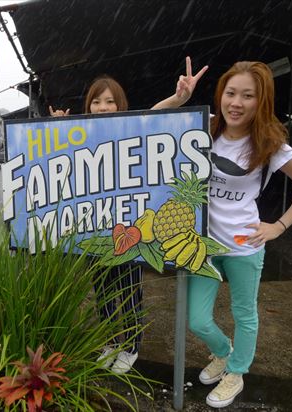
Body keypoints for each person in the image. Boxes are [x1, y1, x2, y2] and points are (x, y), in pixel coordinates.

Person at [50, 57, 208, 374]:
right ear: (89, 106)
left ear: (120, 104)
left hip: (131, 229)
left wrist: (180, 98)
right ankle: (110, 341)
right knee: (104, 292)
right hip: (96, 230)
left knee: (129, 290)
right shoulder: (81, 133)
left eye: (109, 101)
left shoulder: (133, 128)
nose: (103, 107)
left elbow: (155, 114)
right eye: (96, 101)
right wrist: (56, 126)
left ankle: (131, 346)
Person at [187, 61, 292, 408]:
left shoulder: (270, 144)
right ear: (221, 96)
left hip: (244, 244)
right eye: (231, 93)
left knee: (244, 313)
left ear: (260, 101)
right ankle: (223, 352)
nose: (236, 102)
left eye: (247, 96)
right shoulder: (204, 128)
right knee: (198, 319)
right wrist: (178, 99)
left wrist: (278, 226)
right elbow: (147, 124)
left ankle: (236, 371)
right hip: (203, 244)